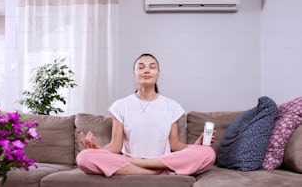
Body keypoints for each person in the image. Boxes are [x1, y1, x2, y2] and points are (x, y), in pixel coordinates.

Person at [76, 53, 216, 177]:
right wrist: (97, 149)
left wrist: (195, 147)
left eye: (152, 67)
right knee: (83, 157)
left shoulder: (172, 106)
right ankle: (151, 171)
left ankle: (146, 165)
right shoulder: (120, 106)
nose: (147, 70)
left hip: (154, 161)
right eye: (141, 67)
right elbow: (115, 146)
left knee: (208, 153)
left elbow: (175, 145)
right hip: (135, 163)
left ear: (158, 73)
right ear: (134, 74)